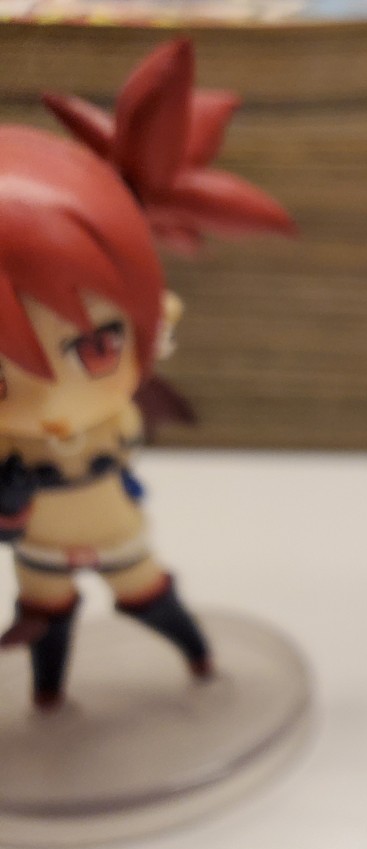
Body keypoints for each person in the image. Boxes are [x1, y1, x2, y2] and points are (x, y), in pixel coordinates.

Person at [0, 38, 293, 706]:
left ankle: (198, 658)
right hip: (39, 550)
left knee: (151, 600)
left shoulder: (120, 414)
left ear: (157, 318)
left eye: (95, 348)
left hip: (115, 533)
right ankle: (49, 693)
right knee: (47, 617)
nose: (49, 404)